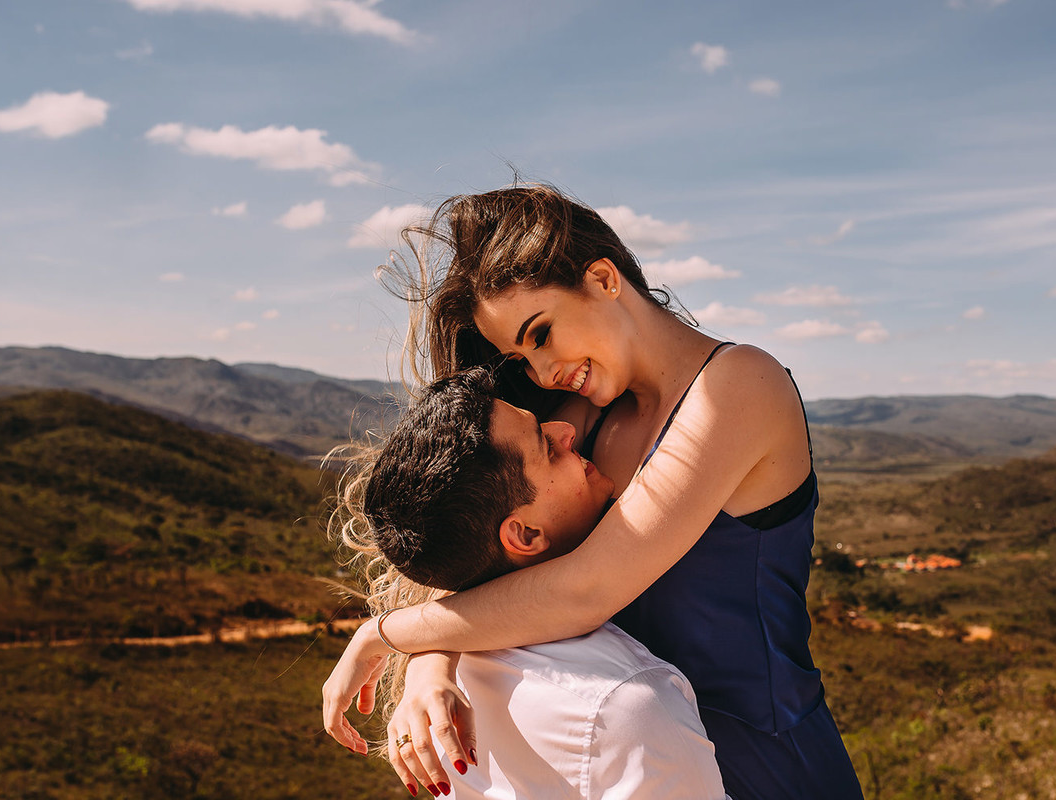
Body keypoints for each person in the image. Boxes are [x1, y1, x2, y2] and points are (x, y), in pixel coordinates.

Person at [323, 184, 864, 799]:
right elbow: (490, 558)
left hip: (770, 766)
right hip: (636, 764)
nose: (542, 373)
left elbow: (585, 589)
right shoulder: (585, 416)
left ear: (604, 279)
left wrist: (388, 633)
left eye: (541, 334)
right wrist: (432, 662)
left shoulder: (739, 384)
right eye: (520, 359)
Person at [342, 366, 728, 799]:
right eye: (546, 447)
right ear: (524, 535)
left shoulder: (444, 690)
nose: (567, 430)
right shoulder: (626, 705)